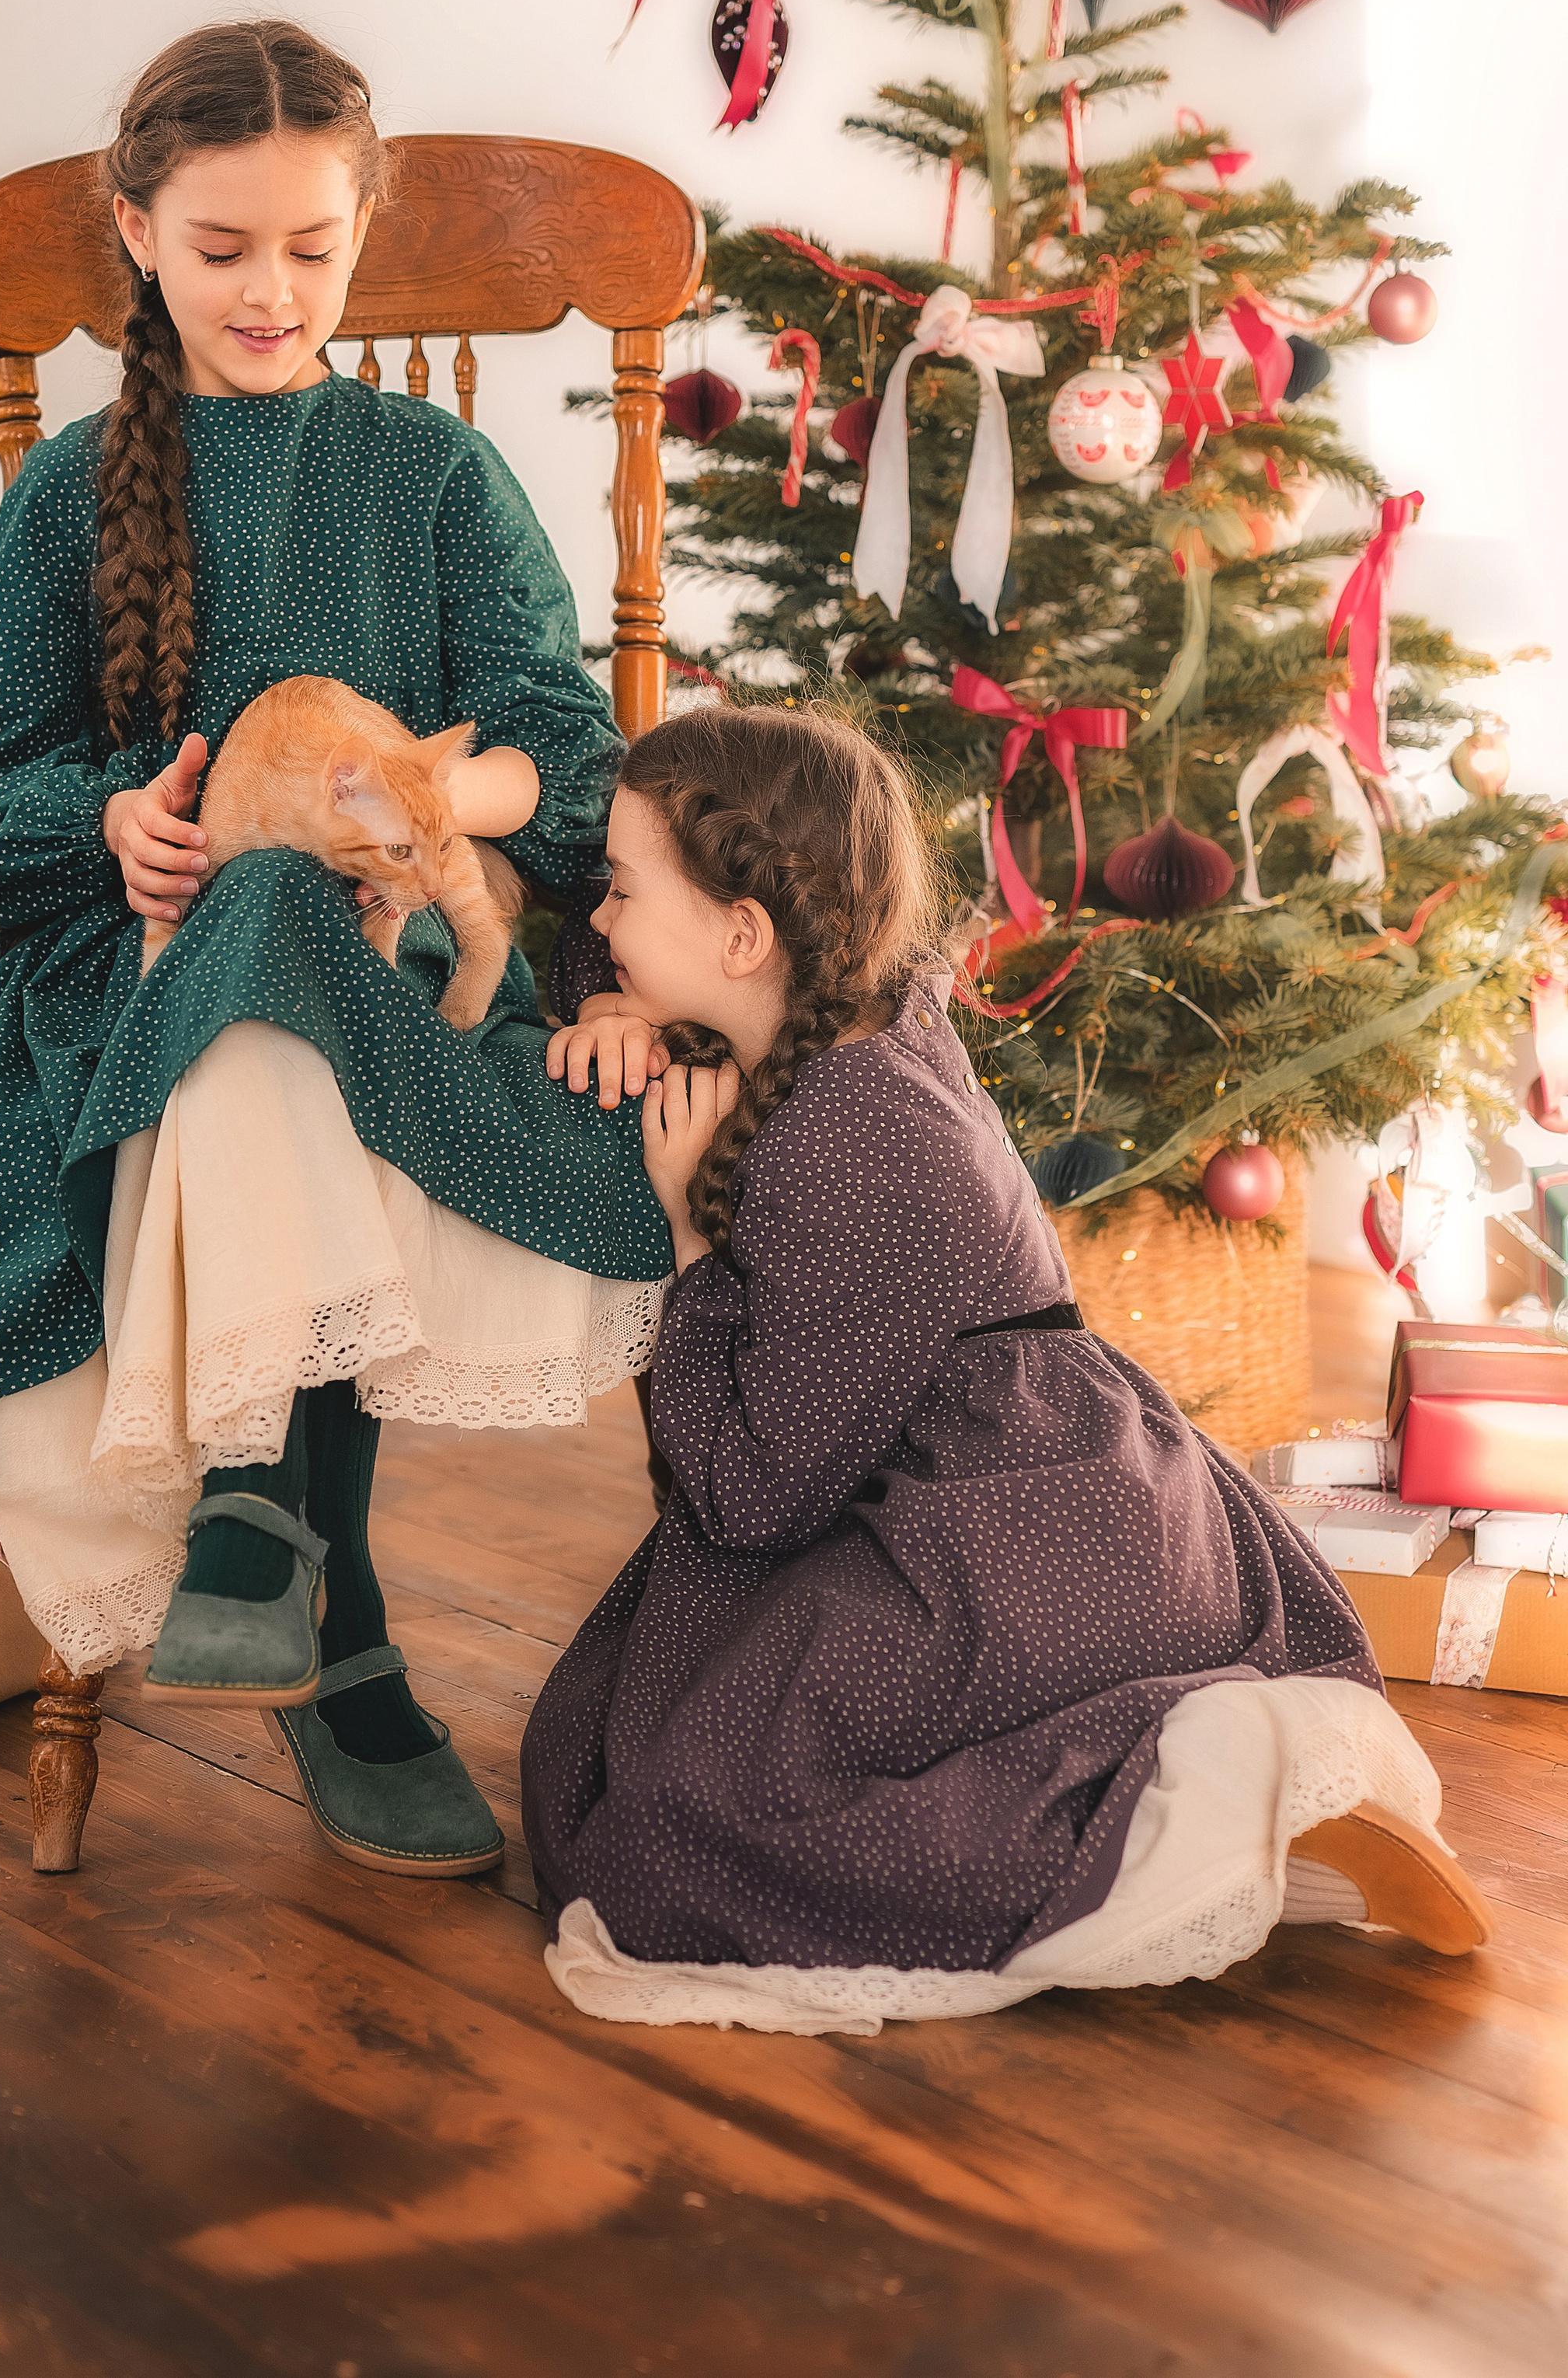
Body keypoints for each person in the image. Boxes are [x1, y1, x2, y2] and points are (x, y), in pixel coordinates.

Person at [0, 20, 669, 1878]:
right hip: (131, 998)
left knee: (289, 927)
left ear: (362, 231)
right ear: (136, 228)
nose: (269, 289)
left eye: (312, 249)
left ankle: (264, 1520)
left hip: (413, 985)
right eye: (222, 247)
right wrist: (109, 825)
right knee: (243, 916)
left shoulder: (429, 471)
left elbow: (569, 763)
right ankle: (336, 1639)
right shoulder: (73, 490)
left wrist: (419, 796)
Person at [522, 703, 1490, 2031]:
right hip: (1037, 1470)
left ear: (744, 935)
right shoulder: (853, 994)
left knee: (665, 1832)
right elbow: (589, 927)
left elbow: (749, 1498)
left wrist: (694, 1242)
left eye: (632, 893)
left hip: (1022, 1533)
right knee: (612, 1741)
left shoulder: (846, 1140)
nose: (605, 914)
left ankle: (1186, 1822)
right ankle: (1207, 1792)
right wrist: (611, 996)